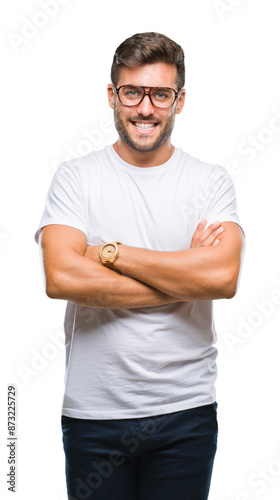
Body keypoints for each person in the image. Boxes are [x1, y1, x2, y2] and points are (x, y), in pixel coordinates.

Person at [35, 32, 244, 500]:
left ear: (179, 100)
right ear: (112, 95)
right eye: (132, 92)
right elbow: (61, 277)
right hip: (94, 416)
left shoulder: (210, 181)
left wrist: (108, 253)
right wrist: (185, 276)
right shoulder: (76, 178)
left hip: (185, 413)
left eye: (160, 95)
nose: (145, 108)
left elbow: (222, 278)